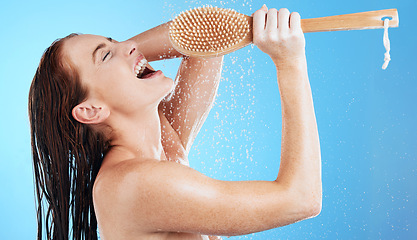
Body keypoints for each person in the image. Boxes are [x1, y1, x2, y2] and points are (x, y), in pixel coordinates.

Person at [29, 4, 321, 240]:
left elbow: (208, 30)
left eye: (114, 41)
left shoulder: (164, 144)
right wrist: (290, 62)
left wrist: (125, 55)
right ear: (91, 111)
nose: (128, 45)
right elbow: (300, 199)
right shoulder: (132, 184)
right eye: (105, 55)